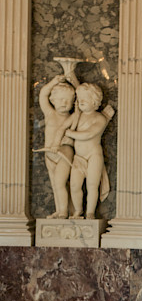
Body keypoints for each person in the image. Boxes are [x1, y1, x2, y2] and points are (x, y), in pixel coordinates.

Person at [65, 83, 112, 220]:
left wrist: (70, 133)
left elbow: (88, 134)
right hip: (78, 157)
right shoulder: (77, 116)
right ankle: (78, 211)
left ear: (95, 101)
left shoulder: (99, 118)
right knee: (74, 185)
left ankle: (90, 212)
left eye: (85, 98)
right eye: (79, 98)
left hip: (93, 156)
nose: (81, 101)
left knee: (92, 185)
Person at [36, 74, 78, 219]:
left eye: (68, 101)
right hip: (49, 155)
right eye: (60, 100)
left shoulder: (72, 117)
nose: (64, 103)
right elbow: (43, 94)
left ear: (73, 102)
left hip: (64, 154)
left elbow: (82, 103)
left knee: (60, 183)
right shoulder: (49, 113)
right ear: (53, 100)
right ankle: (59, 209)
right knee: (55, 185)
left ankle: (64, 213)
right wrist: (54, 81)